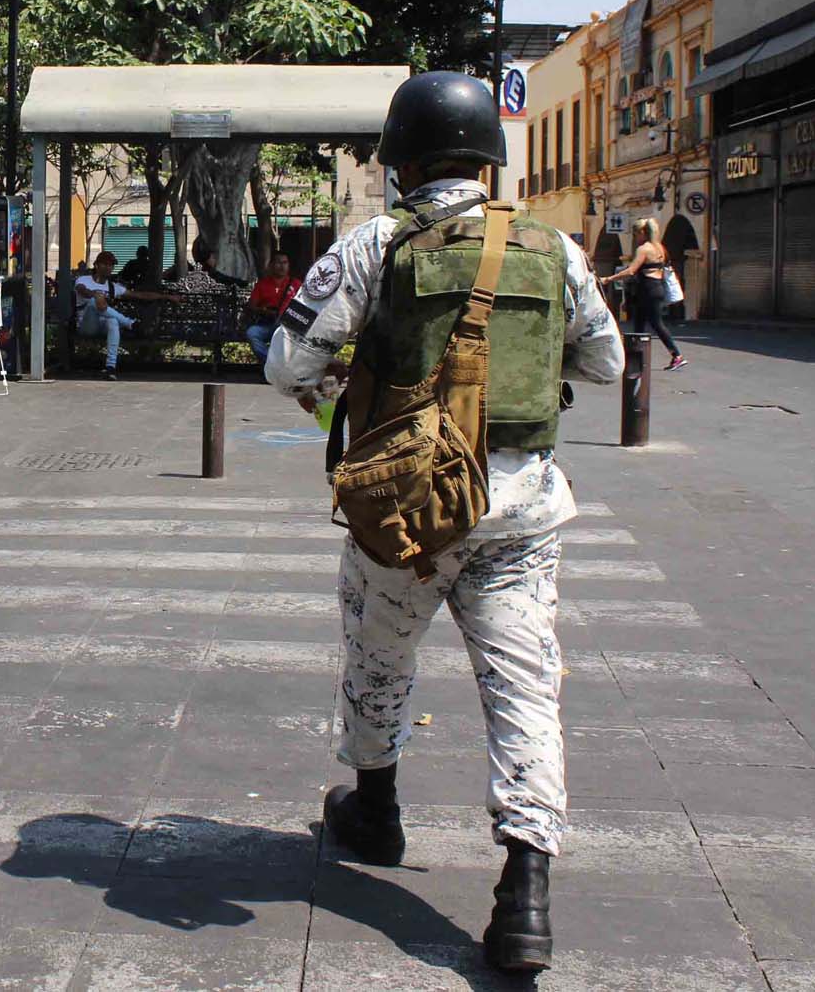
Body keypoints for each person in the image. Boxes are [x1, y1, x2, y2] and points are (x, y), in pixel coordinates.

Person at [266, 71, 624, 976]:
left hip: (407, 507)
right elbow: (609, 361)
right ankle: (526, 891)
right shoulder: (554, 248)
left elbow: (285, 361)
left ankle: (375, 808)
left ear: (403, 159)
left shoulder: (372, 245)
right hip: (519, 508)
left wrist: (350, 384)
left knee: (379, 655)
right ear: (488, 159)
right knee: (525, 688)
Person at [72, 250, 173, 378]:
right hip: (86, 325)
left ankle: (110, 367)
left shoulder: (113, 287)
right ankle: (128, 323)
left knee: (113, 322)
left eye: (111, 265)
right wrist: (95, 295)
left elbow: (140, 295)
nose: (108, 268)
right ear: (96, 265)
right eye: (105, 264)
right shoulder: (84, 280)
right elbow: (81, 289)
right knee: (94, 301)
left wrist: (167, 296)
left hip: (103, 325)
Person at [602, 217, 685, 371]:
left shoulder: (644, 249)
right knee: (639, 324)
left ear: (642, 232)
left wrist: (609, 278)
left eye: (635, 234)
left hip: (648, 288)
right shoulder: (660, 248)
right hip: (656, 288)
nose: (635, 237)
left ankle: (676, 355)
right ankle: (635, 358)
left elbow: (631, 270)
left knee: (655, 323)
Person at [243, 251, 301, 360]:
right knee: (252, 333)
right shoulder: (262, 284)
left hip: (288, 326)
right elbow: (251, 306)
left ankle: (277, 365)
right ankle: (272, 361)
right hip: (267, 324)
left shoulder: (296, 284)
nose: (282, 266)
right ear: (271, 265)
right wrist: (264, 311)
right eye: (278, 263)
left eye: (285, 263)